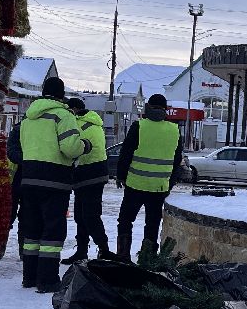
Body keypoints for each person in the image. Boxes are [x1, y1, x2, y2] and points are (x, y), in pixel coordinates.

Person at [17, 76, 92, 293]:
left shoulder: (28, 117)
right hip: (54, 180)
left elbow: (22, 146)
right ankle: (48, 280)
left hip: (29, 178)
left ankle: (29, 277)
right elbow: (70, 148)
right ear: (61, 95)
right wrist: (85, 146)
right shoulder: (63, 115)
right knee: (52, 229)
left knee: (32, 229)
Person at [114, 93, 184, 262]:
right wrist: (170, 184)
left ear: (148, 107)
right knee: (152, 225)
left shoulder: (139, 126)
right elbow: (177, 162)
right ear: (165, 110)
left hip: (135, 185)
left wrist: (121, 176)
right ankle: (148, 260)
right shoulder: (174, 130)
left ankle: (123, 257)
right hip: (159, 188)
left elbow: (125, 154)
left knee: (125, 220)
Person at [63, 97, 112, 264]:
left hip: (89, 173)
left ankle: (104, 250)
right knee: (81, 215)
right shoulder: (93, 122)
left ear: (74, 109)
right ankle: (82, 251)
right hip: (93, 173)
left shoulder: (78, 123)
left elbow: (71, 146)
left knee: (89, 216)